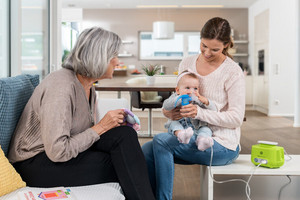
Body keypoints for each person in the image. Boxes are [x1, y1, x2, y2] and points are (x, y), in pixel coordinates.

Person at [8, 27, 155, 200]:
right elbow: (57, 151)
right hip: (36, 163)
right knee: (123, 164)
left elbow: (79, 132)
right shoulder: (61, 87)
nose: (117, 61)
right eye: (113, 56)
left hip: (58, 155)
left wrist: (109, 126)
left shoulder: (88, 85)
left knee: (125, 134)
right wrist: (101, 127)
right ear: (98, 57)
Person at [142, 17, 245, 199]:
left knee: (161, 141)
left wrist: (200, 112)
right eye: (204, 45)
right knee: (147, 150)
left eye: (215, 49)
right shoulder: (187, 63)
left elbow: (236, 118)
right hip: (189, 134)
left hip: (221, 143)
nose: (207, 52)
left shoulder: (232, 71)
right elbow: (176, 99)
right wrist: (168, 112)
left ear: (226, 45)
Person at [162, 70, 217, 150]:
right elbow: (166, 106)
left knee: (206, 129)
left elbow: (214, 110)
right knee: (173, 124)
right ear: (177, 90)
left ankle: (202, 141)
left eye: (195, 89)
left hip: (196, 126)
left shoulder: (198, 99)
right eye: (187, 88)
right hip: (180, 123)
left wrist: (206, 102)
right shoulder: (175, 97)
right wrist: (179, 99)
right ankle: (181, 135)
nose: (191, 91)